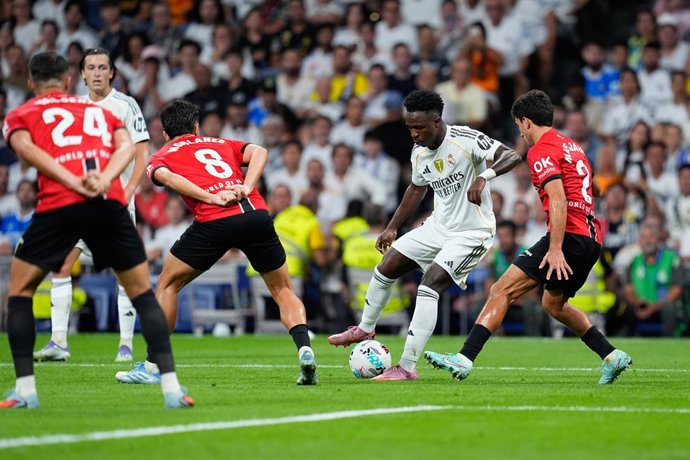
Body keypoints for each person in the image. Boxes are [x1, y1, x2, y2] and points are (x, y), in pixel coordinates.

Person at [0, 52, 191, 409]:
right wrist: (102, 179)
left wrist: (72, 179)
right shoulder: (99, 111)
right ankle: (171, 387)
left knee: (19, 292)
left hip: (59, 206)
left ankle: (25, 391)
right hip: (108, 203)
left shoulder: (20, 113)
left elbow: (25, 152)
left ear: (30, 84)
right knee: (142, 293)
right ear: (70, 80)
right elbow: (128, 148)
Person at [424, 90, 632, 385]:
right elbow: (594, 188)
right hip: (591, 239)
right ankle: (611, 355)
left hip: (568, 237)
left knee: (501, 290)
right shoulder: (572, 146)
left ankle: (464, 358)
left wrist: (556, 248)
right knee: (552, 305)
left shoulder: (541, 150)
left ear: (526, 121)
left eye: (519, 126)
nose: (520, 132)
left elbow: (557, 198)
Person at [115, 99, 318, 386]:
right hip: (256, 214)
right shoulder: (221, 143)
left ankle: (152, 366)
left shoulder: (161, 154)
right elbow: (260, 151)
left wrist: (210, 197)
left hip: (215, 219)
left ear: (164, 133)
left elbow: (167, 178)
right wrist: (247, 187)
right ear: (196, 128)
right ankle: (305, 350)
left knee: (168, 284)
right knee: (283, 289)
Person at [328, 89, 521, 380]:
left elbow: (512, 155)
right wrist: (393, 226)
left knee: (428, 285)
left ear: (437, 121)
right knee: (387, 265)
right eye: (410, 127)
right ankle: (365, 328)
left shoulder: (465, 139)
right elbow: (417, 188)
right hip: (437, 227)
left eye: (419, 127)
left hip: (471, 232)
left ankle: (406, 367)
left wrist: (484, 176)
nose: (414, 134)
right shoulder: (419, 152)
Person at [34, 48, 151, 363]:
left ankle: (125, 345)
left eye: (103, 67)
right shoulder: (73, 108)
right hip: (78, 202)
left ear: (112, 72)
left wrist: (129, 189)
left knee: (123, 272)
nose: (97, 72)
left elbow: (142, 151)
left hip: (114, 201)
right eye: (91, 68)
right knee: (61, 263)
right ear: (81, 74)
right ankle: (59, 341)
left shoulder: (125, 105)